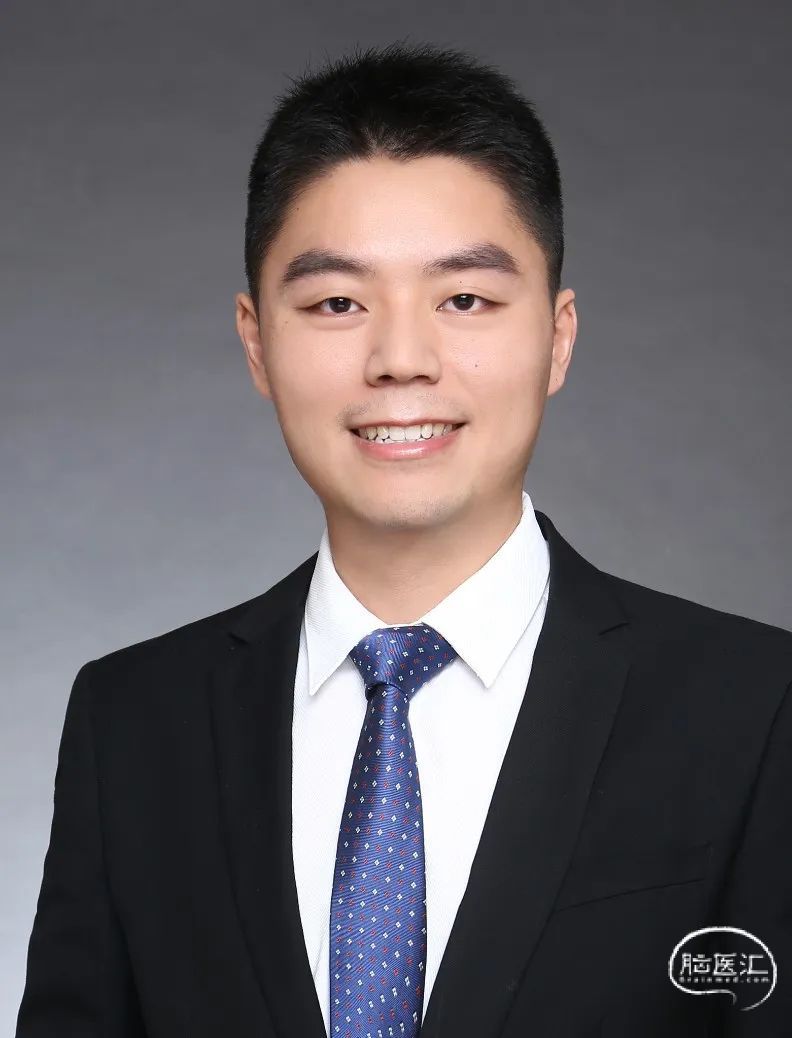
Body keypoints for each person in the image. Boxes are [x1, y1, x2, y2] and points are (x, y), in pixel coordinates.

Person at [15, 41, 792, 1038]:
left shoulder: (756, 709)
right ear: (256, 342)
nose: (400, 359)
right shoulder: (133, 723)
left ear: (557, 337)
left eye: (464, 299)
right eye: (337, 303)